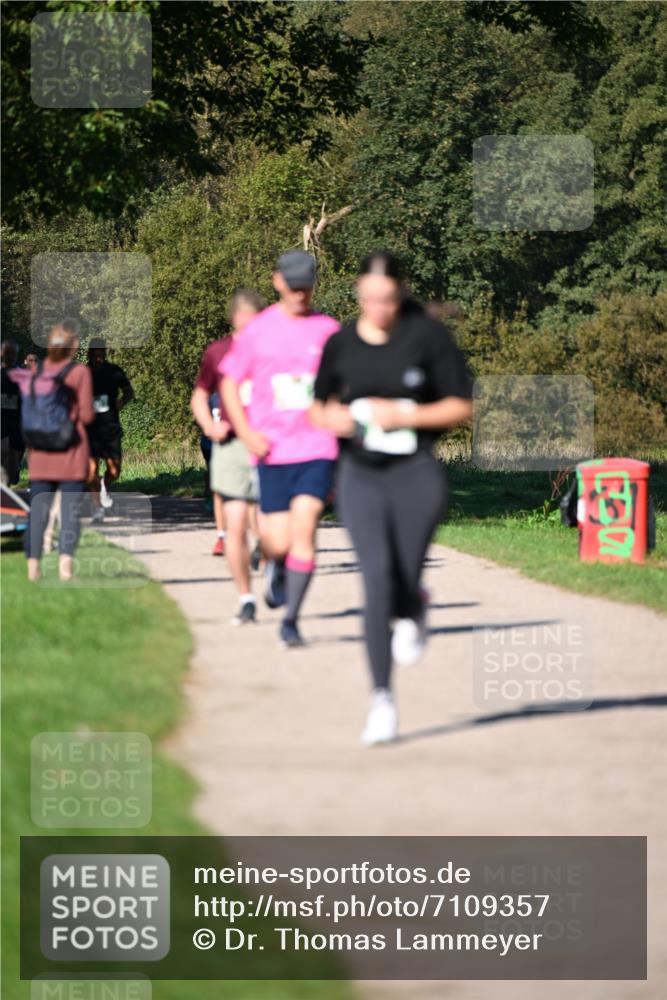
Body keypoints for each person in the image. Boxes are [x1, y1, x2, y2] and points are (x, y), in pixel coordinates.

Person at [310, 251, 473, 744]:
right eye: (369, 297)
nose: (378, 307)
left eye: (388, 298)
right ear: (358, 291)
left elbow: (461, 403)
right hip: (361, 475)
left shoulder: (425, 337)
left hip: (416, 475)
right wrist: (333, 419)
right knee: (375, 580)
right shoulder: (340, 343)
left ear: (400, 293)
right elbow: (318, 408)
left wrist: (405, 417)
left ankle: (416, 604)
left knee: (403, 575)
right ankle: (382, 699)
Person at [221, 252, 339, 647]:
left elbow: (342, 391)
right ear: (277, 282)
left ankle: (291, 620)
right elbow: (228, 386)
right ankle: (275, 564)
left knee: (305, 528)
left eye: (307, 285)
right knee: (277, 540)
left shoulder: (328, 330)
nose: (300, 292)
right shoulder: (259, 331)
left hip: (317, 446)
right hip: (270, 450)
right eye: (293, 285)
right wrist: (247, 433)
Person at [191, 290, 265, 622]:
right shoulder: (218, 352)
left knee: (268, 522)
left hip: (269, 444)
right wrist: (209, 425)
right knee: (236, 521)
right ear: (235, 320)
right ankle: (246, 598)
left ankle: (269, 557)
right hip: (232, 443)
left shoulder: (273, 351)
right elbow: (199, 396)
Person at [10, 323, 94, 581]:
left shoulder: (37, 372)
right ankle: (64, 569)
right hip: (71, 452)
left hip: (41, 455)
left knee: (39, 512)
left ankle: (33, 569)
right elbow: (88, 415)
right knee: (69, 511)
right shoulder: (79, 372)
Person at [87, 339, 134, 523]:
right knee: (91, 471)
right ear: (90, 353)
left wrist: (121, 403)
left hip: (110, 427)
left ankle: (105, 484)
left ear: (105, 353)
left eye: (101, 354)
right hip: (89, 428)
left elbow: (129, 391)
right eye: (95, 354)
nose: (98, 357)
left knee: (114, 471)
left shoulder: (114, 371)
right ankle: (97, 508)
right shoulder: (83, 373)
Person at [1, 340, 24, 486]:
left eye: (13, 353)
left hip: (17, 421)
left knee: (13, 461)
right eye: (7, 352)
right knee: (2, 453)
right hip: (1, 420)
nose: (10, 356)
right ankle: (3, 492)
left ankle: (13, 474)